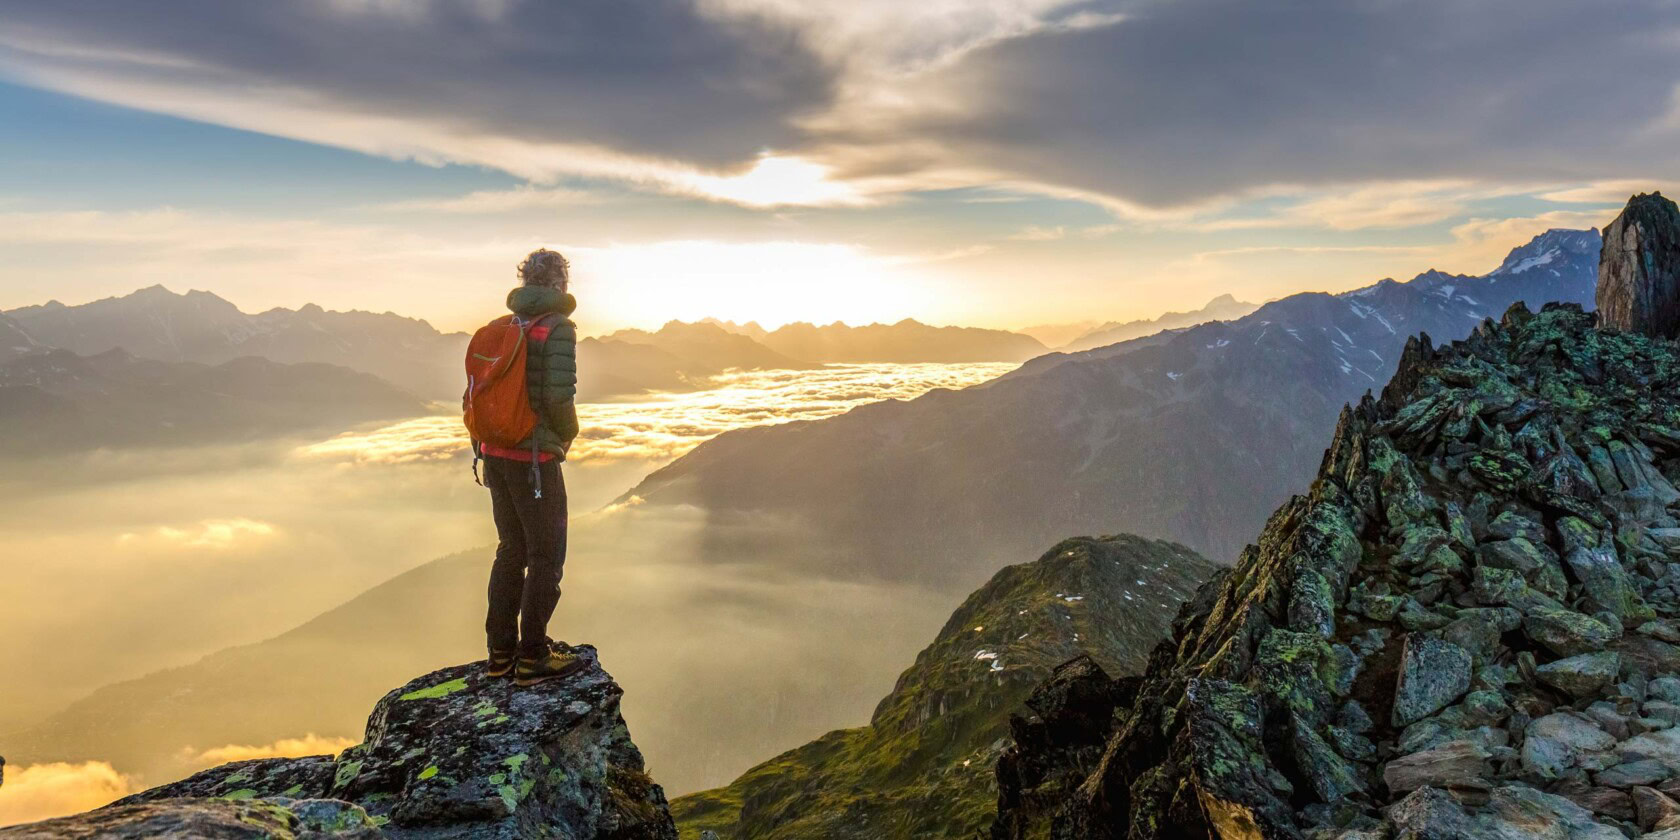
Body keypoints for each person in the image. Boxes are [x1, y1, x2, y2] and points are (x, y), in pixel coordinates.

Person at [475, 248, 582, 685]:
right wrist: (568, 435)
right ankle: (533, 656)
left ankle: (500, 654)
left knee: (511, 549)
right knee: (546, 555)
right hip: (533, 459)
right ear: (559, 284)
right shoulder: (557, 328)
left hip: (495, 453)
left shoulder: (504, 326)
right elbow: (558, 395)